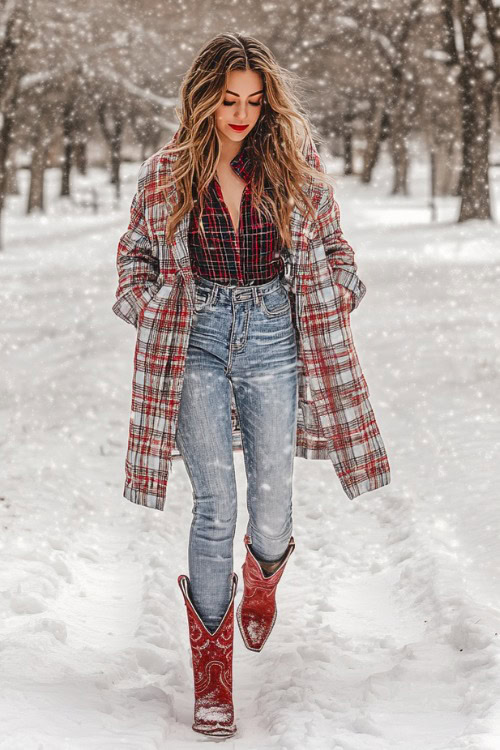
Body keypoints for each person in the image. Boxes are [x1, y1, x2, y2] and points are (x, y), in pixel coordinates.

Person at [113, 31, 391, 740]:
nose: (241, 114)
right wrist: (149, 309)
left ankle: (262, 576)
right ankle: (213, 680)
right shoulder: (167, 172)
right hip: (195, 338)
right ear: (205, 97)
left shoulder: (295, 165)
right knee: (214, 505)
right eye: (228, 99)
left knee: (271, 504)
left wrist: (340, 291)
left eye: (253, 101)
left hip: (273, 334)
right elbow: (134, 257)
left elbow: (336, 246)